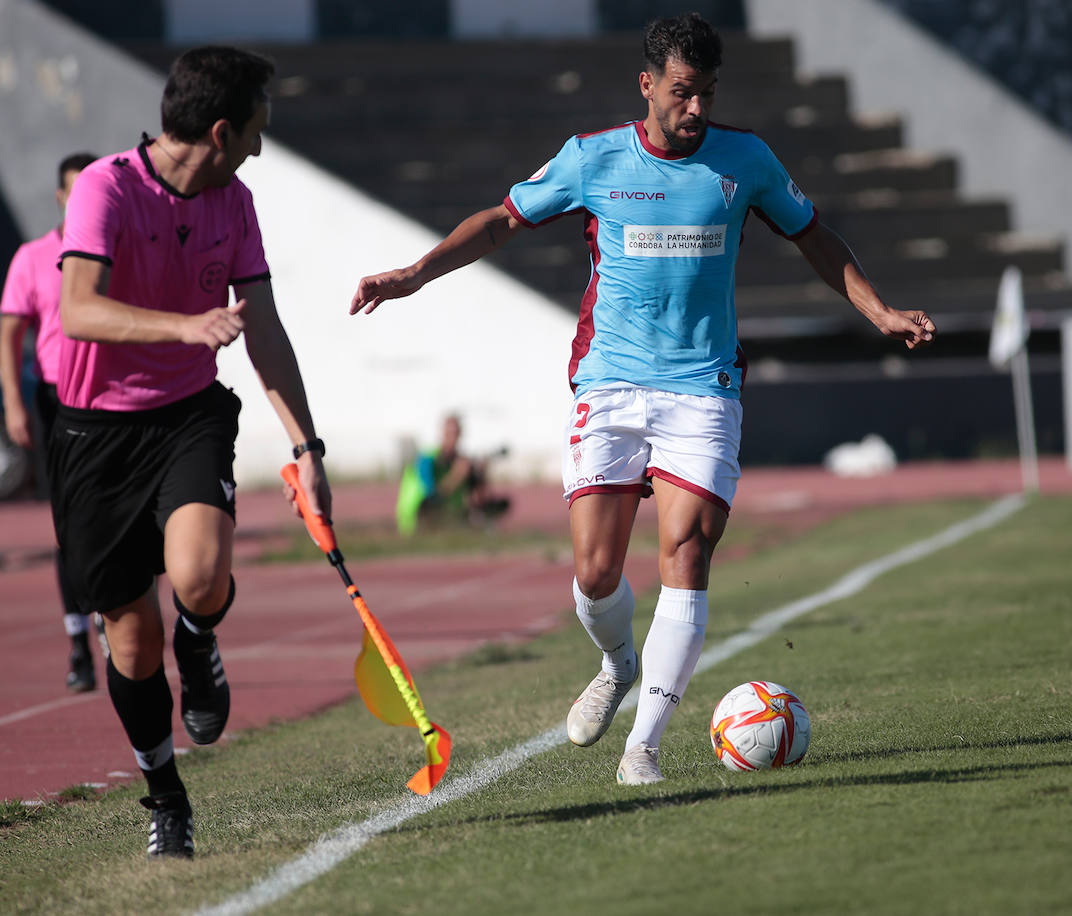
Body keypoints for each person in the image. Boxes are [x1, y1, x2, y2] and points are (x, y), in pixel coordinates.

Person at [349, 13, 934, 785]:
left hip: (704, 385)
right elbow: (500, 222)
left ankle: (644, 746)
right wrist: (413, 274)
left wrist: (880, 310)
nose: (696, 109)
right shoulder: (592, 160)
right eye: (683, 93)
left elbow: (815, 235)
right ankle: (618, 663)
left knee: (686, 551)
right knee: (595, 572)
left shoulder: (747, 159)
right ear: (648, 84)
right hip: (610, 381)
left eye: (708, 94)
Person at [55, 46, 331, 858]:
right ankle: (165, 798)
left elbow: (265, 330)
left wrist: (306, 444)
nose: (258, 146)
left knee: (200, 579)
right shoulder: (107, 186)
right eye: (254, 130)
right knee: (130, 642)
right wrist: (182, 325)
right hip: (94, 437)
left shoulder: (234, 202)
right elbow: (78, 310)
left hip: (188, 416)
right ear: (219, 129)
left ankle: (202, 638)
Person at [1, 151, 98, 692]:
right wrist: (15, 402)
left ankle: (123, 624)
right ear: (60, 197)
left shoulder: (120, 251)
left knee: (117, 521)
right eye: (75, 191)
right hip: (57, 401)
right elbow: (10, 334)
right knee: (69, 529)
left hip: (111, 399)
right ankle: (79, 645)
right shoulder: (32, 257)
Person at [395, 412, 510, 535]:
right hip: (418, 518)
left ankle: (480, 523)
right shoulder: (427, 459)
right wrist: (456, 476)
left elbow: (478, 496)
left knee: (499, 504)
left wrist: (480, 474)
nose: (453, 438)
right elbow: (432, 498)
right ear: (442, 433)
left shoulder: (459, 460)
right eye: (450, 434)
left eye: (456, 434)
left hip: (448, 515)